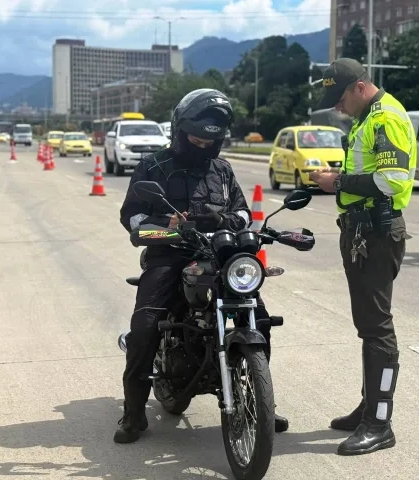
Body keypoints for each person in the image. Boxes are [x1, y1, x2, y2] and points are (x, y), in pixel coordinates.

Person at [116, 88, 289, 444]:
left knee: (257, 313)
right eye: (195, 138)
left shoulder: (222, 170)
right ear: (180, 131)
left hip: (217, 255)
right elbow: (132, 217)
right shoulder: (154, 166)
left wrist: (222, 218)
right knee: (146, 324)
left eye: (209, 141)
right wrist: (167, 228)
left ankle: (258, 399)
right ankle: (133, 413)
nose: (202, 146)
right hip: (169, 255)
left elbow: (243, 212)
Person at [308, 58, 415, 456]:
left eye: (339, 98)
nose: (336, 106)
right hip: (361, 228)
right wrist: (338, 179)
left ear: (359, 86)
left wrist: (336, 181)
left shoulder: (385, 118)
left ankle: (379, 422)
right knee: (367, 324)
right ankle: (369, 406)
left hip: (377, 231)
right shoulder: (364, 120)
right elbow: (369, 171)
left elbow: (392, 180)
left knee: (377, 327)